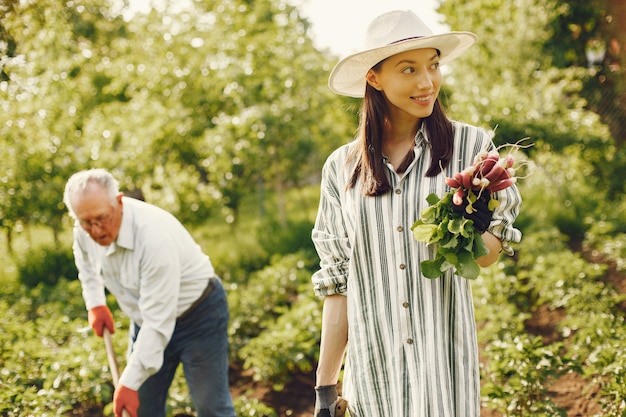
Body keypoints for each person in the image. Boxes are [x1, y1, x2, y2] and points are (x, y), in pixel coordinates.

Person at [311, 10, 522, 417]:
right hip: (374, 375)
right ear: (374, 77)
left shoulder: (471, 148)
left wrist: (472, 234)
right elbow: (339, 286)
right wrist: (324, 387)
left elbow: (488, 255)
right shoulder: (342, 168)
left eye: (433, 65)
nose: (427, 83)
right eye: (408, 69)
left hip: (442, 369)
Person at [63, 168, 236, 417]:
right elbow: (86, 264)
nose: (96, 230)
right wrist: (95, 303)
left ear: (119, 202)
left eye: (102, 219)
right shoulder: (84, 230)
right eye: (86, 223)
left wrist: (128, 383)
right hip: (146, 320)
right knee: (142, 408)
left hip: (199, 316)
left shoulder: (153, 238)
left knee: (211, 406)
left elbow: (158, 322)